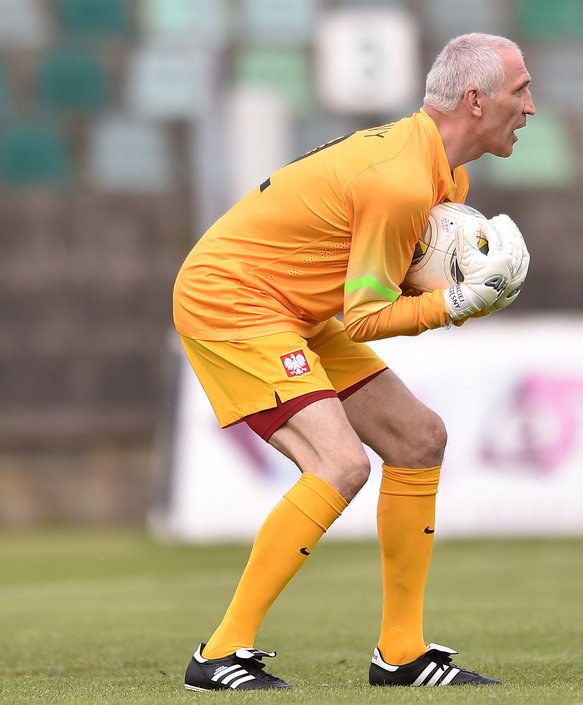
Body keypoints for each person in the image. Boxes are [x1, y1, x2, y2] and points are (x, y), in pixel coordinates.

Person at [173, 32, 535, 691]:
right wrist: (454, 302)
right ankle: (219, 653)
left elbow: (375, 293)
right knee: (339, 463)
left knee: (419, 438)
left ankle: (401, 654)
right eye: (521, 90)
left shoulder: (443, 174)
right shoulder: (401, 180)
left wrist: (459, 299)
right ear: (476, 100)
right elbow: (366, 316)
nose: (531, 106)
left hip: (294, 308)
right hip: (233, 298)